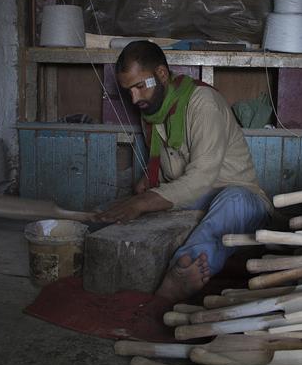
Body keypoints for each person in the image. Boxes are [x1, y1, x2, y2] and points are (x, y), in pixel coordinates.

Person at [95, 41, 271, 302]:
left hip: (239, 198)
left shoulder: (203, 104)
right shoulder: (153, 111)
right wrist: (149, 184)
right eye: (128, 91)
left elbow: (201, 179)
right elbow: (173, 169)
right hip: (192, 201)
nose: (134, 98)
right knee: (114, 212)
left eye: (140, 86)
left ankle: (182, 272)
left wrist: (145, 201)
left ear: (162, 75)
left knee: (234, 199)